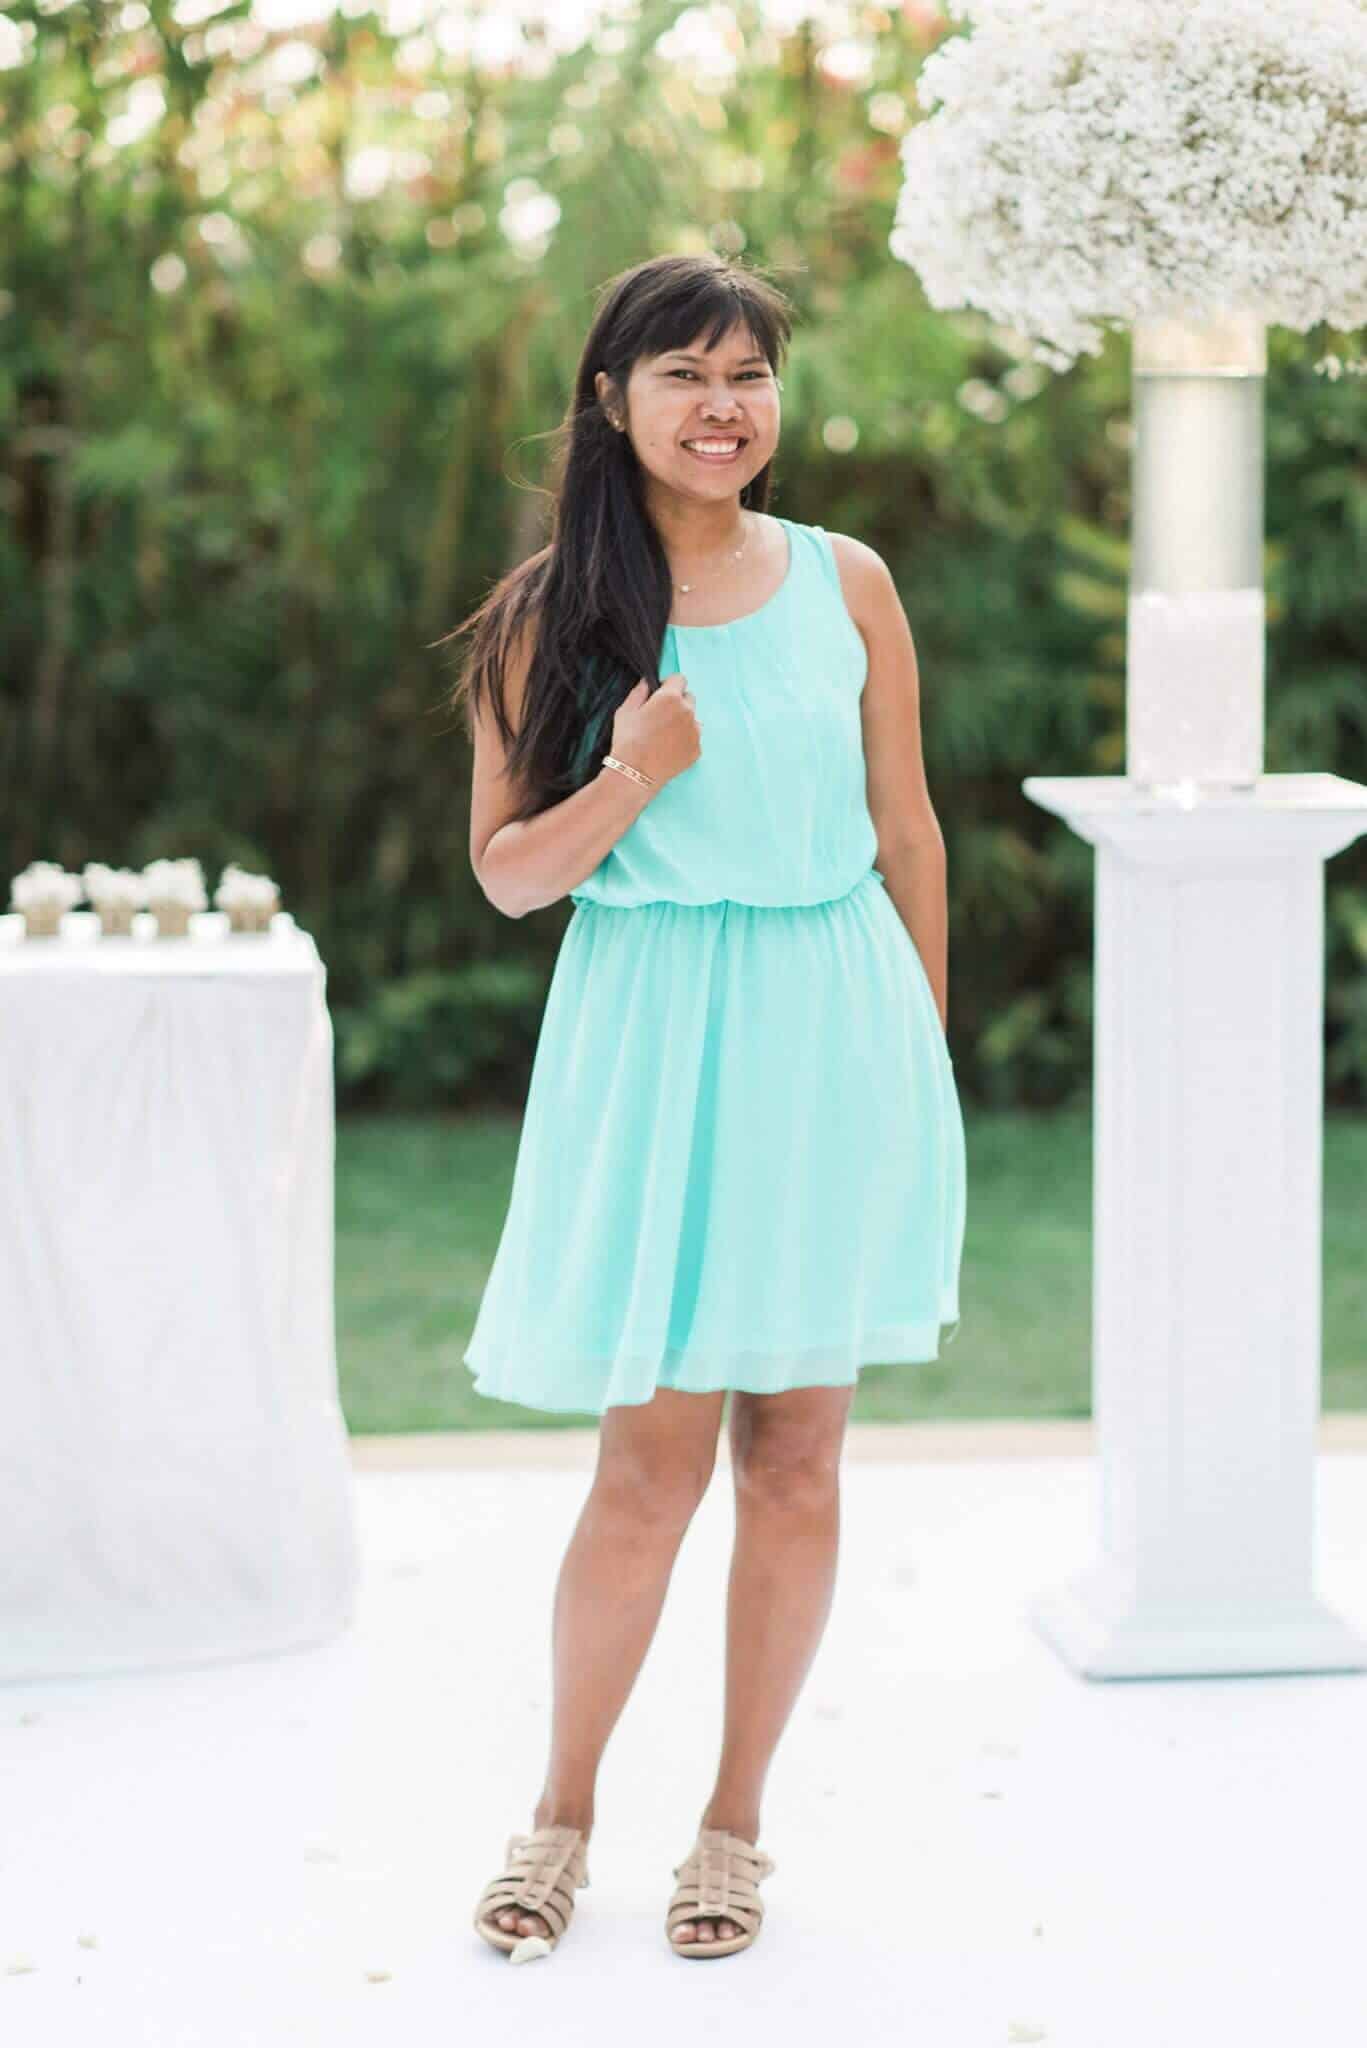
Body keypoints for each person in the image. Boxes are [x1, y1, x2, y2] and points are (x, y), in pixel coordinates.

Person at [442, 252, 966, 1962]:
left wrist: (919, 1057)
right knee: (649, 1464)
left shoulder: (849, 581)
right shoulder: (549, 615)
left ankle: (734, 1829)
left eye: (749, 373)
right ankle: (559, 1813)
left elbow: (907, 829)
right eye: (685, 374)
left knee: (798, 1458)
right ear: (614, 400)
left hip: (833, 1022)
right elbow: (511, 876)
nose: (723, 406)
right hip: (656, 1033)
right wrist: (631, 774)